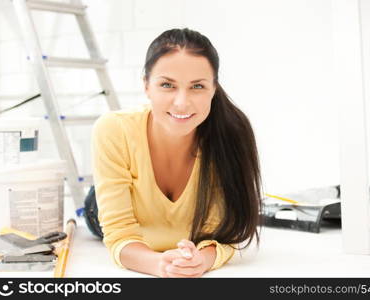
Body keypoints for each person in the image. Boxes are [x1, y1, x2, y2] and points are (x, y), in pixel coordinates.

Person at [91, 28, 263, 278]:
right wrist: (158, 264)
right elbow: (119, 233)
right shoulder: (113, 129)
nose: (182, 102)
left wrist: (200, 261)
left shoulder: (231, 136)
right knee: (93, 209)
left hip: (179, 237)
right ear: (146, 86)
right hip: (108, 208)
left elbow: (227, 232)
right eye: (167, 85)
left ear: (214, 88)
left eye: (197, 86)